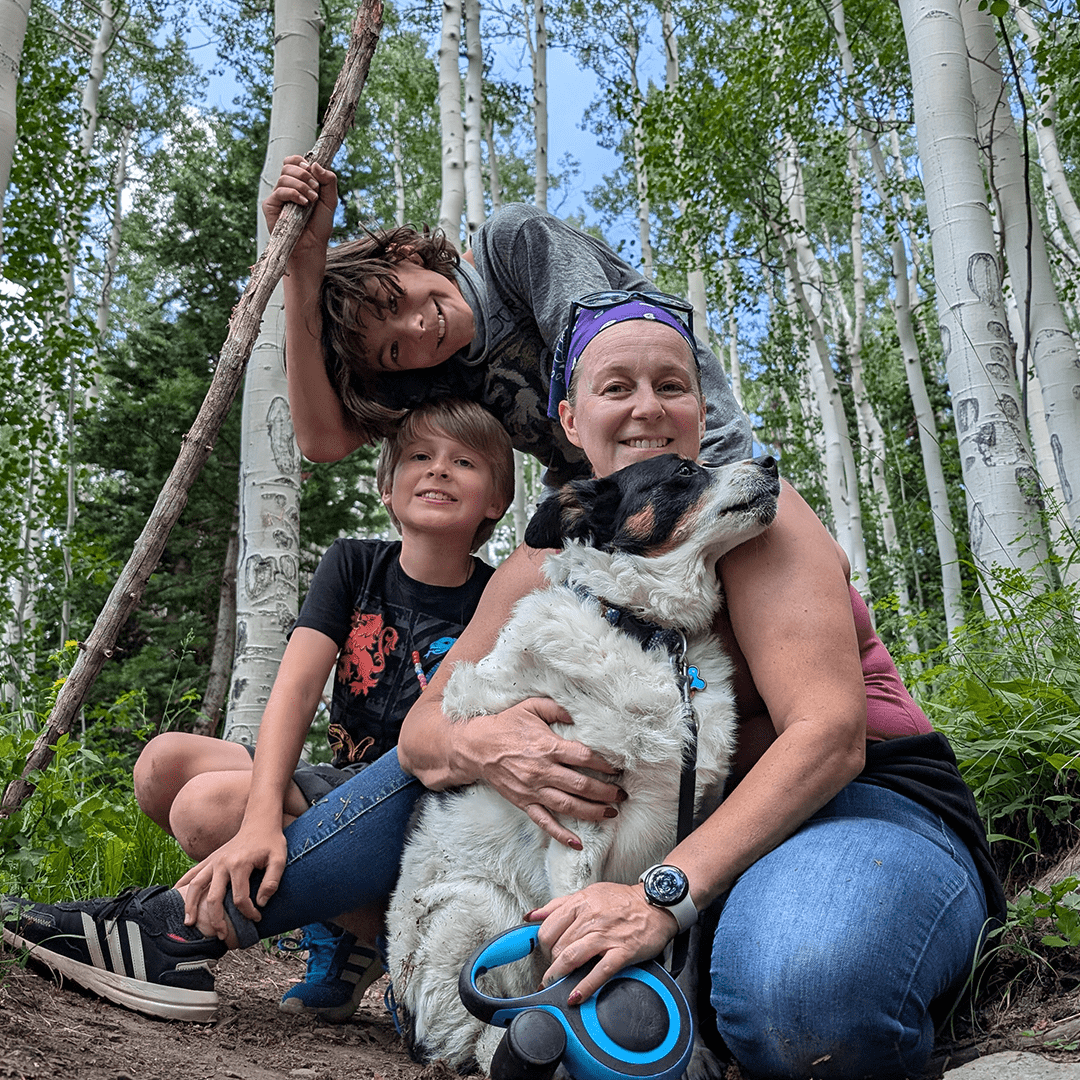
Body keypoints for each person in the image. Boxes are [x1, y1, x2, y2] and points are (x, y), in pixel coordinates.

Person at [3, 295, 1003, 1079]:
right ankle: (184, 926)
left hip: (845, 811)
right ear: (569, 418)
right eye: (617, 388)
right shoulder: (553, 549)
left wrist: (660, 896)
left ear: (703, 408)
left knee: (807, 1007)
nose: (647, 406)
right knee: (471, 750)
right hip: (649, 832)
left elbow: (829, 736)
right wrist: (486, 743)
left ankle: (683, 991)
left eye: (673, 384)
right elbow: (433, 725)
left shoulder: (754, 516)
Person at [128, 397, 513, 1022]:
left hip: (413, 804)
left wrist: (249, 815)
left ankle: (388, 947)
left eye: (463, 461)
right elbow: (297, 689)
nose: (438, 470)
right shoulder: (354, 565)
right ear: (387, 487)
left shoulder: (496, 598)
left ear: (495, 501)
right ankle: (352, 931)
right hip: (340, 779)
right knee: (163, 764)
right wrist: (259, 822)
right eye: (419, 456)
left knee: (203, 810)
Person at [264, 156, 752, 483]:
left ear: (405, 254)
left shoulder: (512, 243)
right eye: (392, 352)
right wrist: (300, 274)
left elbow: (607, 356)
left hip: (705, 457)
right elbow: (322, 441)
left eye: (392, 303)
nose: (413, 329)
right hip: (605, 495)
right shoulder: (433, 373)